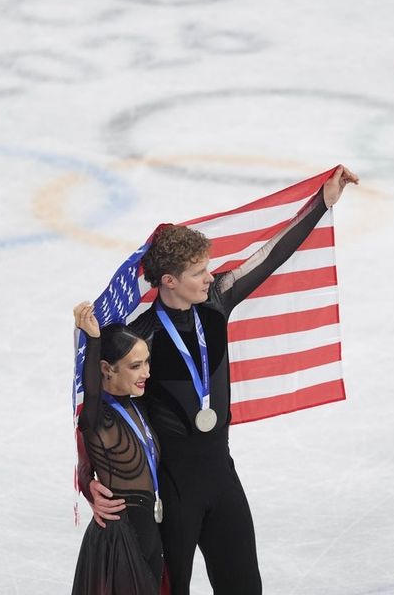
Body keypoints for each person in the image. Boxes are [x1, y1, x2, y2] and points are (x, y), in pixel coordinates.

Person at [81, 166, 358, 594]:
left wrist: (322, 201)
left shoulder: (215, 303)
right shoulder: (140, 338)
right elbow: (97, 409)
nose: (210, 276)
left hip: (221, 476)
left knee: (245, 586)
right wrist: (90, 483)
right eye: (198, 272)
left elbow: (270, 255)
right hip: (172, 494)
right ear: (169, 282)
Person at [71, 302, 162, 594]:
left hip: (150, 535)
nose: (146, 372)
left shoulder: (138, 405)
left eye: (146, 362)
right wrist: (93, 340)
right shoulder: (97, 417)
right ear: (107, 369)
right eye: (135, 366)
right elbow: (92, 388)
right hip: (117, 538)